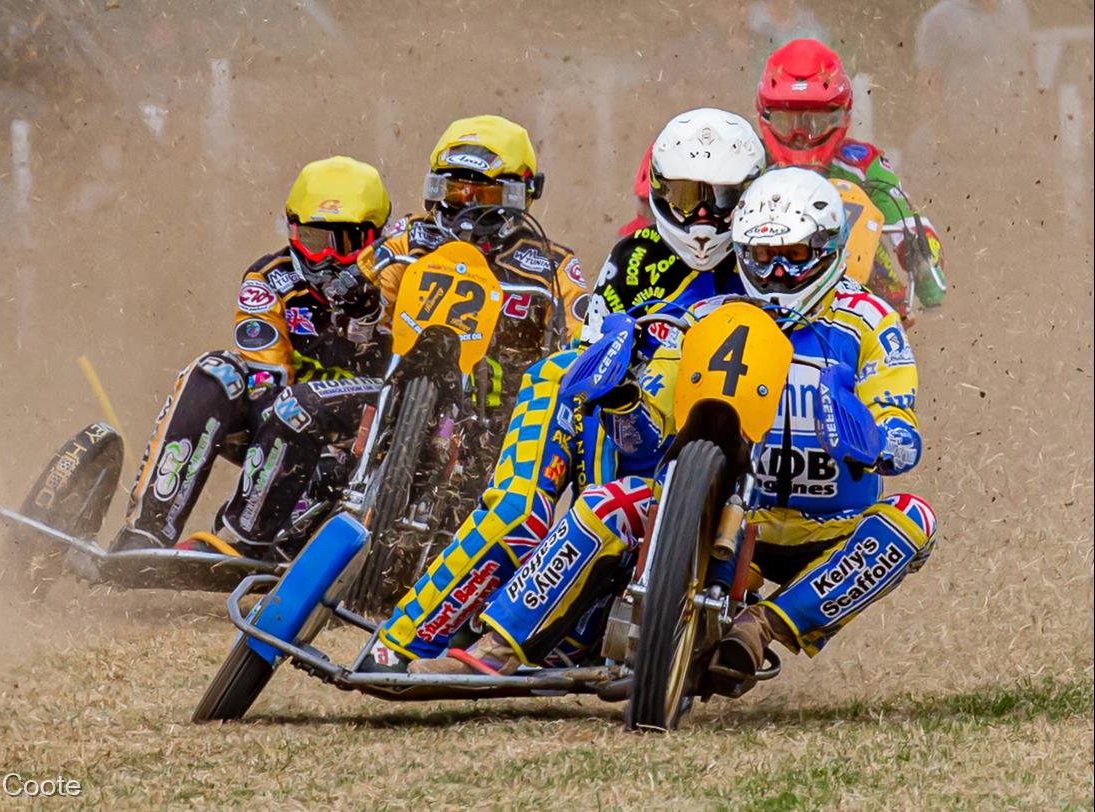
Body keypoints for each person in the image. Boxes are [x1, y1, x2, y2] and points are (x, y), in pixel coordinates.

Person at [412, 167, 936, 681]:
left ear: (826, 249)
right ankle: (496, 647)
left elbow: (902, 433)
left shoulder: (870, 322)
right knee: (604, 506)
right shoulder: (707, 317)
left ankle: (767, 625)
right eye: (761, 257)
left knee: (914, 520)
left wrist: (872, 440)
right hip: (714, 512)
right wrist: (620, 399)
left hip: (824, 524)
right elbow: (648, 439)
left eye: (793, 257)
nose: (776, 274)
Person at [363, 109, 767, 671]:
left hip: (705, 447)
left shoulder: (768, 263)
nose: (701, 216)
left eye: (719, 199)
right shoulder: (634, 257)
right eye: (684, 194)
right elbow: (592, 344)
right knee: (521, 488)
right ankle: (401, 643)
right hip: (618, 416)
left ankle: (549, 631)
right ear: (658, 190)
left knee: (614, 511)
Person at [110, 156, 393, 555]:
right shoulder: (269, 279)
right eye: (313, 240)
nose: (325, 258)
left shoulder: (404, 274)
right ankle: (148, 531)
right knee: (214, 372)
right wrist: (292, 464)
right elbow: (266, 382)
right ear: (292, 230)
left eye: (343, 242)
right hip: (285, 428)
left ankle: (247, 536)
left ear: (374, 235)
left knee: (299, 404)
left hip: (374, 425)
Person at [356, 113, 587, 406]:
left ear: (521, 194)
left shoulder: (551, 265)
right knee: (300, 406)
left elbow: (581, 343)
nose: (468, 207)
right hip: (394, 391)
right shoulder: (413, 236)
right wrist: (358, 301)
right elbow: (364, 303)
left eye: (485, 196)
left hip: (504, 416)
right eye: (456, 192)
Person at [757, 38, 947, 317]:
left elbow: (908, 221)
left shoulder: (863, 165)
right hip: (760, 293)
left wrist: (920, 256)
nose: (800, 138)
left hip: (861, 296)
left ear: (840, 115)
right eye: (788, 123)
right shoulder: (749, 164)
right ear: (766, 115)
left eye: (814, 124)